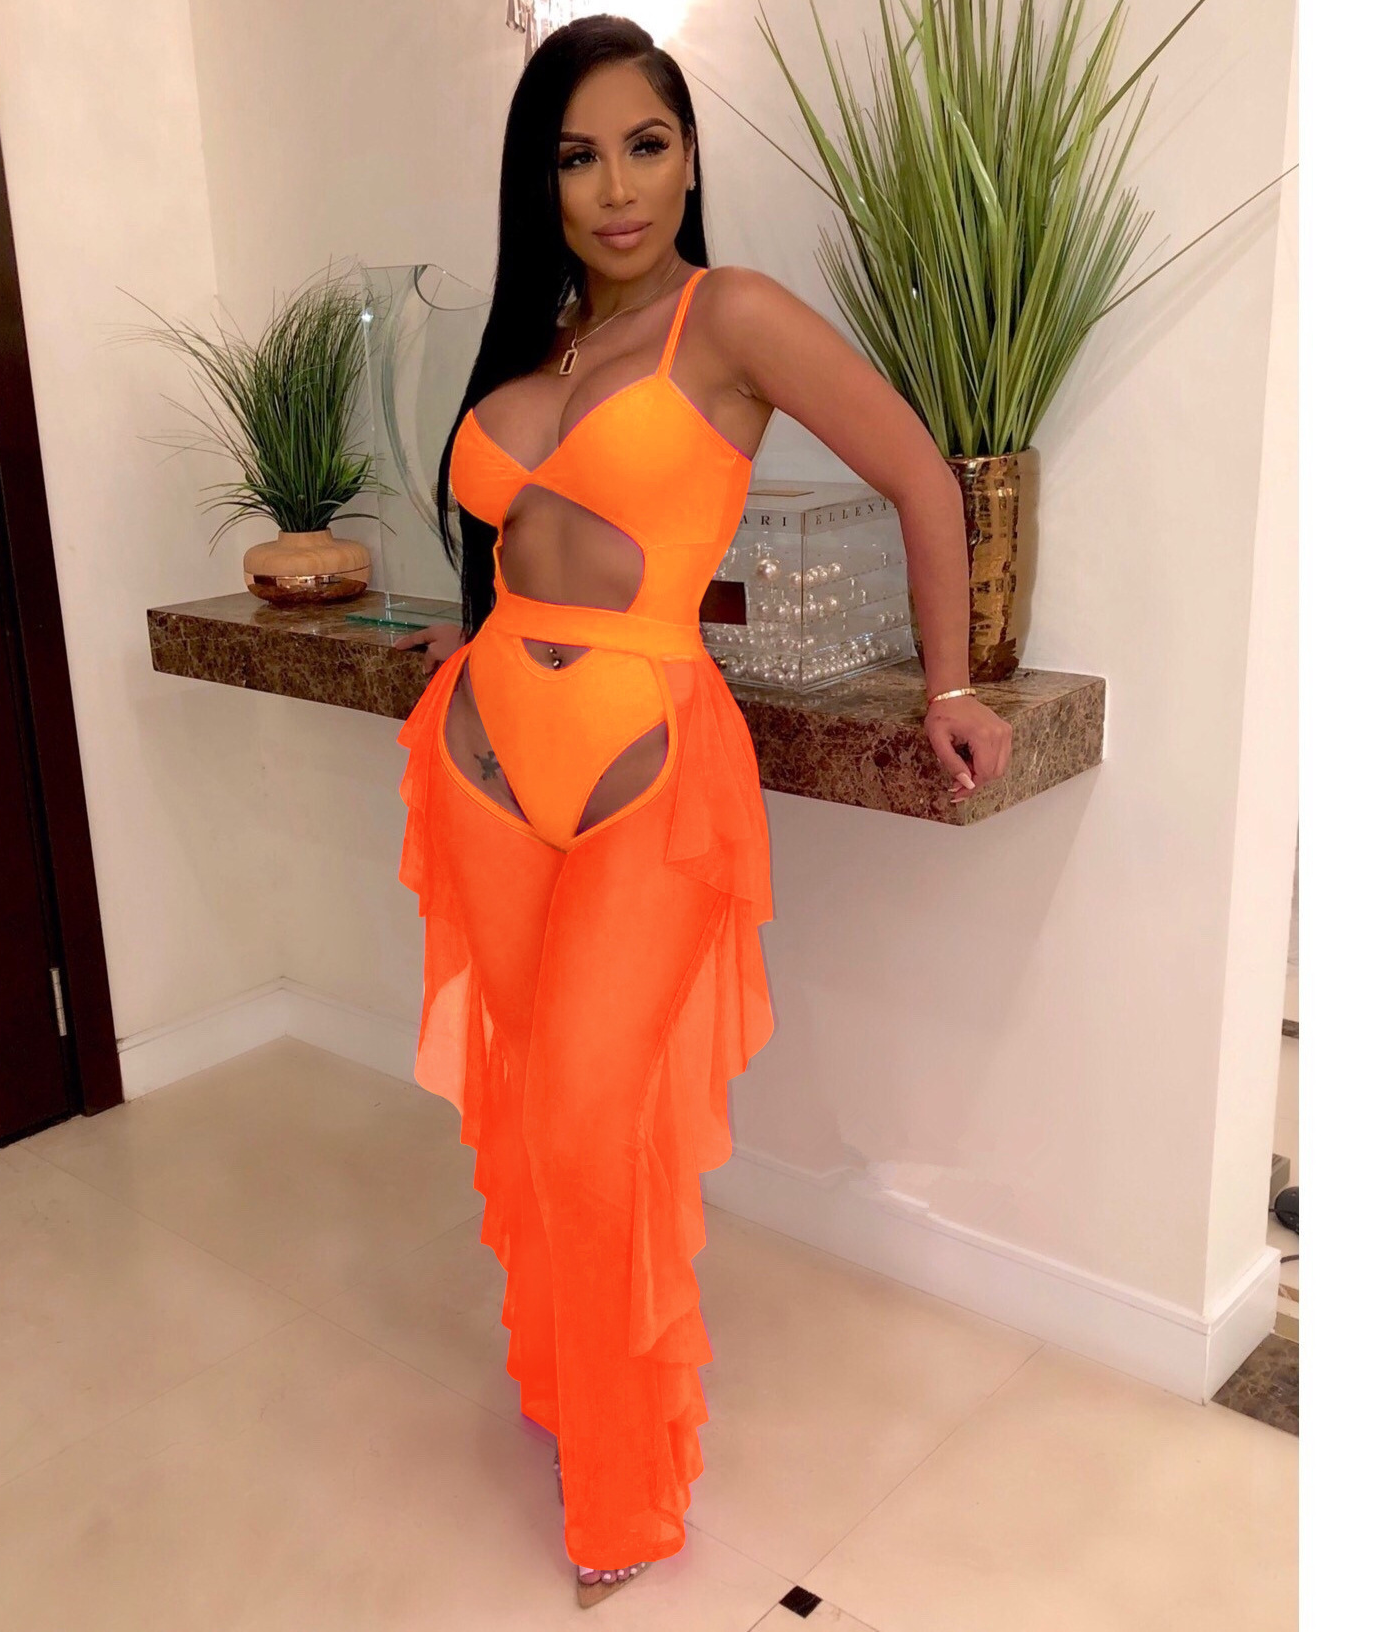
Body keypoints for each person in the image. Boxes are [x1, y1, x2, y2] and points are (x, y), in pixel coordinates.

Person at [390, 14, 1011, 1610]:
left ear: (689, 158)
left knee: (589, 1123)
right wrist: (470, 642)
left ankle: (622, 1494)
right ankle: (567, 1387)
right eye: (577, 156)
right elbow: (512, 537)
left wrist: (951, 685)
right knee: (528, 1109)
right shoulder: (536, 338)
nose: (616, 188)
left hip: (645, 767)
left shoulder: (728, 318)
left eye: (646, 145)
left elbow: (922, 477)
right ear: (539, 180)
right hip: (483, 756)